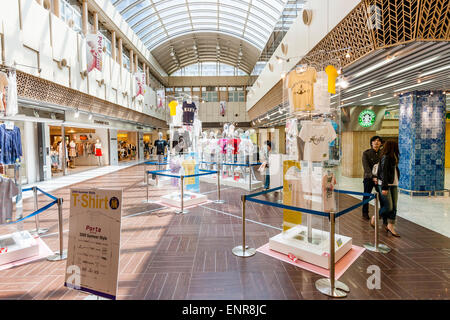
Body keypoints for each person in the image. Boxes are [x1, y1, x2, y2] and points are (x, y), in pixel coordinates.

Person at [374, 140, 400, 237]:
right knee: (389, 206)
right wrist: (384, 187)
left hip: (394, 184)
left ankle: (390, 225)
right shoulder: (385, 157)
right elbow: (383, 173)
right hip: (385, 185)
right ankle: (375, 217)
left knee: (394, 207)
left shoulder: (394, 157)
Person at [361, 136, 383, 220]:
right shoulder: (366, 153)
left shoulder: (383, 153)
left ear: (381, 143)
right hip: (368, 178)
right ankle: (365, 213)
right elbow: (366, 167)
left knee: (382, 196)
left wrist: (379, 177)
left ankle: (382, 212)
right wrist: (373, 177)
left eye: (378, 141)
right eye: (374, 141)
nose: (376, 142)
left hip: (380, 178)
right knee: (366, 195)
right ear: (371, 143)